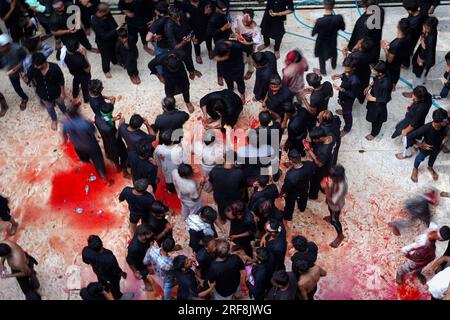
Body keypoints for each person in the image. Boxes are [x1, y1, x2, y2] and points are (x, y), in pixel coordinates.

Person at [81, 235, 133, 300]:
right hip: (111, 275)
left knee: (102, 281)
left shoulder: (86, 252)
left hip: (98, 272)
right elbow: (116, 270)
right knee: (114, 286)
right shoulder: (109, 257)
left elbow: (86, 262)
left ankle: (105, 288)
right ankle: (118, 296)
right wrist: (122, 273)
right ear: (102, 244)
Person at [62, 104, 106, 178]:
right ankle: (102, 175)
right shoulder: (85, 123)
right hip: (90, 145)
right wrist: (89, 122)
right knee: (98, 159)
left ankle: (87, 161)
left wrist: (65, 140)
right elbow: (93, 131)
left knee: (83, 156)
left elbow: (64, 134)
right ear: (78, 113)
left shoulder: (66, 123)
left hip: (77, 145)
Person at [26, 52, 66, 130]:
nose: (35, 66)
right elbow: (29, 81)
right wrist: (25, 78)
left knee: (61, 103)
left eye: (37, 65)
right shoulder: (32, 68)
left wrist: (63, 93)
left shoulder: (55, 68)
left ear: (44, 63)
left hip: (56, 92)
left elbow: (61, 81)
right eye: (34, 64)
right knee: (49, 108)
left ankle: (66, 114)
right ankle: (54, 119)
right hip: (43, 94)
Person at [407, 109, 448, 183]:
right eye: (436, 125)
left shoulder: (445, 124)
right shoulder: (426, 128)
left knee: (433, 157)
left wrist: (447, 136)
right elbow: (409, 136)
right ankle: (415, 168)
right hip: (426, 148)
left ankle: (430, 167)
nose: (447, 121)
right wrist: (420, 144)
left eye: (446, 120)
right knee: (420, 158)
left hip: (438, 147)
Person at [392, 85, 432, 160]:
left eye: (414, 96)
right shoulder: (428, 96)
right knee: (416, 135)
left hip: (412, 122)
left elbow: (414, 123)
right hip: (420, 120)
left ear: (421, 98)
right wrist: (411, 108)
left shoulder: (420, 109)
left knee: (406, 139)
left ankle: (407, 154)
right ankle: (416, 146)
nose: (412, 97)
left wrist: (406, 130)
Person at [164, 5, 202, 80]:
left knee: (188, 57)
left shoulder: (182, 15)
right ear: (170, 17)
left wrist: (193, 37)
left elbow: (188, 27)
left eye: (178, 16)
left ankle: (191, 70)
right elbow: (174, 46)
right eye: (175, 18)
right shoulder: (169, 27)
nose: (178, 19)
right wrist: (183, 42)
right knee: (178, 63)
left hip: (187, 43)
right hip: (177, 48)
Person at [311, 0, 345, 76]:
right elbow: (343, 28)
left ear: (324, 5)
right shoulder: (339, 18)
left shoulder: (320, 21)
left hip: (322, 44)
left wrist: (315, 24)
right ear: (334, 6)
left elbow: (313, 34)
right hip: (333, 42)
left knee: (321, 58)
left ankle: (323, 72)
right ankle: (333, 65)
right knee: (334, 52)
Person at [280, 149, 315, 221]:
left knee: (289, 204)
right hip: (305, 187)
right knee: (303, 198)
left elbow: (286, 187)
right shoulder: (309, 164)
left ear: (291, 161)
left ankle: (288, 216)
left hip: (293, 192)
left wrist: (282, 193)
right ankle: (302, 208)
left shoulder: (290, 175)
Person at [94, 102, 128, 175]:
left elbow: (105, 119)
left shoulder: (97, 116)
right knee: (123, 154)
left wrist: (114, 119)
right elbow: (115, 137)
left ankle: (115, 163)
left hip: (105, 138)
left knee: (110, 152)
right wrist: (120, 126)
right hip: (113, 141)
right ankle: (123, 170)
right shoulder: (108, 129)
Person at [175, 0, 212, 65]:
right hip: (193, 27)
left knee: (208, 39)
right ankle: (198, 55)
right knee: (196, 42)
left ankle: (210, 50)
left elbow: (211, 4)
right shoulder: (185, 4)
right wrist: (184, 14)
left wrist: (209, 9)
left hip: (205, 25)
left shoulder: (204, 2)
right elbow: (179, 12)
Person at [332, 56, 361, 136]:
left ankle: (347, 128)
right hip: (343, 96)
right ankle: (343, 110)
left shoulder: (355, 81)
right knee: (343, 107)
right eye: (344, 67)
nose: (345, 70)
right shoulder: (348, 72)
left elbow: (353, 95)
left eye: (347, 68)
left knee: (347, 114)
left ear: (353, 68)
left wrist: (341, 90)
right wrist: (339, 76)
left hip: (348, 100)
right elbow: (345, 75)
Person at [305, 127, 335, 200]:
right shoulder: (331, 135)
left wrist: (309, 150)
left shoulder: (324, 151)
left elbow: (319, 164)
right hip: (329, 162)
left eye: (315, 139)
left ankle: (313, 196)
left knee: (315, 182)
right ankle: (323, 189)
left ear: (321, 138)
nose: (314, 141)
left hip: (321, 168)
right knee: (324, 177)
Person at [365, 60, 393, 140]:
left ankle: (374, 133)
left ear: (380, 73)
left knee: (377, 121)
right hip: (373, 100)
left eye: (374, 70)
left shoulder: (386, 83)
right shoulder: (380, 75)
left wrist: (372, 98)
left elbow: (386, 98)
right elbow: (375, 80)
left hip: (379, 105)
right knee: (372, 115)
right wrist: (370, 86)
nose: (372, 70)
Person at [321, 165, 348, 248]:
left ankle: (340, 235)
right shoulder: (338, 177)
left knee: (335, 220)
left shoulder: (341, 187)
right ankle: (331, 216)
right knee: (330, 209)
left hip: (336, 205)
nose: (330, 177)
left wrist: (325, 188)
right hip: (331, 201)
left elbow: (333, 200)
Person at [0, 34, 28, 111]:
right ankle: (24, 97)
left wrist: (19, 66)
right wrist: (5, 68)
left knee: (30, 81)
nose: (1, 48)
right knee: (16, 87)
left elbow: (26, 57)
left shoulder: (17, 48)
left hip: (22, 67)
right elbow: (1, 63)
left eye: (2, 46)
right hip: (11, 72)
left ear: (7, 44)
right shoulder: (0, 52)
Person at [233, 8, 263, 80]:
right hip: (240, 41)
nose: (244, 24)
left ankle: (250, 70)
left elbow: (258, 40)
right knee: (242, 54)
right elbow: (235, 26)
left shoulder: (256, 29)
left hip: (249, 46)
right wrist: (237, 33)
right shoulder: (239, 18)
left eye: (247, 24)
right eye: (243, 22)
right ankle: (244, 60)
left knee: (250, 58)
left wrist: (248, 42)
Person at [381, 18, 410, 90]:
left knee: (390, 77)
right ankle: (393, 86)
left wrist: (385, 48)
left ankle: (391, 88)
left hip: (392, 65)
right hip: (399, 61)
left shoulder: (396, 45)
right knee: (396, 75)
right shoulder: (407, 37)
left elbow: (389, 60)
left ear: (398, 27)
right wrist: (389, 45)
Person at [91, 2, 118, 78]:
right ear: (101, 12)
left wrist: (118, 29)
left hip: (113, 38)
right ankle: (106, 70)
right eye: (107, 11)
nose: (109, 12)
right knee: (105, 57)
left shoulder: (107, 14)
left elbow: (113, 22)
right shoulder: (94, 22)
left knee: (114, 51)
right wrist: (116, 30)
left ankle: (115, 61)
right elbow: (103, 36)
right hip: (103, 43)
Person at [154, 129, 186, 194]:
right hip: (176, 168)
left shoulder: (158, 148)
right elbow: (183, 160)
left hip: (166, 168)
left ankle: (170, 191)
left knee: (169, 180)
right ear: (173, 139)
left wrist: (160, 164)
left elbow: (156, 159)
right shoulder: (178, 149)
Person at [411, 16, 438, 87]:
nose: (423, 27)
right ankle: (422, 81)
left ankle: (416, 88)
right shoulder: (432, 32)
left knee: (419, 74)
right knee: (422, 73)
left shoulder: (430, 40)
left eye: (425, 27)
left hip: (424, 59)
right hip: (425, 57)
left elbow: (428, 51)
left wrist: (421, 59)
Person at [146, 0, 170, 76]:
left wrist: (153, 38)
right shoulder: (172, 15)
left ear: (161, 13)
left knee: (159, 61)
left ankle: (160, 74)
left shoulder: (158, 23)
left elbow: (147, 38)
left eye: (157, 10)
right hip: (172, 44)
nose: (155, 11)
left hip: (162, 45)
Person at [346, 37, 374, 104]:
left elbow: (347, 66)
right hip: (365, 73)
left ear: (361, 45)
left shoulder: (355, 55)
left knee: (352, 90)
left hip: (355, 74)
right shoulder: (371, 54)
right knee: (363, 87)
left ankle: (350, 102)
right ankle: (361, 100)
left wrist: (345, 55)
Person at [126, 224, 153, 291]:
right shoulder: (134, 248)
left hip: (145, 255)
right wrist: (135, 272)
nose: (151, 234)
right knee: (143, 272)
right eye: (149, 234)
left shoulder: (144, 235)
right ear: (143, 236)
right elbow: (129, 260)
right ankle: (145, 280)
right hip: (139, 262)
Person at [63, 39, 91, 104]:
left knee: (75, 82)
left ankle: (75, 94)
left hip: (75, 73)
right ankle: (86, 99)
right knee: (85, 86)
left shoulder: (66, 55)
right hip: (84, 75)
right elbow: (88, 69)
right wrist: (85, 56)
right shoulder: (80, 59)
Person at [403, 0, 427, 68]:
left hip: (411, 37)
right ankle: (410, 52)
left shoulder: (414, 21)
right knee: (411, 47)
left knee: (405, 51)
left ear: (410, 10)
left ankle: (405, 64)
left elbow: (408, 31)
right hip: (416, 35)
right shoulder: (421, 13)